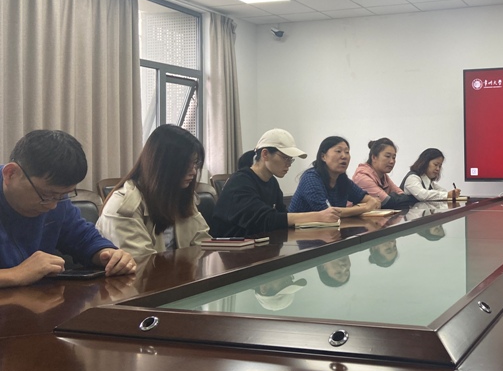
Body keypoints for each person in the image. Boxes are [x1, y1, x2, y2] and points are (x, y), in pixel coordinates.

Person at [0, 130, 136, 287]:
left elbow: (82, 238)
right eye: (46, 194)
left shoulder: (57, 202)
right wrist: (16, 274)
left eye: (63, 195)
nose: (52, 205)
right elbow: (19, 274)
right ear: (10, 174)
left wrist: (109, 255)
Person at [97, 124, 211, 257]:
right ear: (164, 165)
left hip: (179, 269)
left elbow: (204, 246)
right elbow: (142, 263)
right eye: (186, 164)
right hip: (151, 270)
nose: (193, 171)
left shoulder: (180, 196)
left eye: (195, 163)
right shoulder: (123, 206)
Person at [211, 129, 339, 237]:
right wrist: (318, 216)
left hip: (261, 247)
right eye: (285, 158)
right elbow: (265, 220)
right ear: (265, 154)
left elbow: (281, 215)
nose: (288, 164)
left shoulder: (272, 182)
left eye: (290, 159)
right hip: (230, 253)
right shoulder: (240, 182)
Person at [288, 136, 381, 216]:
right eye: (338, 151)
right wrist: (364, 208)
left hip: (329, 229)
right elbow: (327, 213)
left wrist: (371, 202)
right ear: (323, 156)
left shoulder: (342, 180)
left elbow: (368, 199)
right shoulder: (311, 178)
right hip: (297, 230)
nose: (344, 156)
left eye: (347, 152)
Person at [352, 138, 417, 209]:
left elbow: (402, 195)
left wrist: (396, 197)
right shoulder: (362, 177)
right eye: (387, 156)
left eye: (394, 157)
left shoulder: (383, 176)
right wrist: (395, 197)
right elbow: (388, 202)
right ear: (374, 157)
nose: (392, 161)